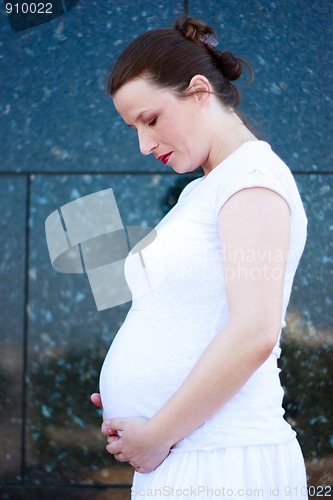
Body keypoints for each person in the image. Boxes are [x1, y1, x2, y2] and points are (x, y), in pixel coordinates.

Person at [91, 16, 308, 500]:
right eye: (133, 129)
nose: (145, 145)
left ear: (198, 90)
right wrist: (142, 390)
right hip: (188, 456)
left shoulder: (251, 178)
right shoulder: (205, 189)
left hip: (225, 462)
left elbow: (254, 331)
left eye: (149, 120)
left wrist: (157, 432)